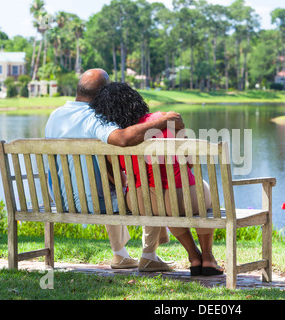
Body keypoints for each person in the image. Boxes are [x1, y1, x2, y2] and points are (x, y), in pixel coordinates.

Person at [45, 68, 185, 272]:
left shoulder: (55, 116)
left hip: (62, 200)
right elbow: (122, 138)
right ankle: (148, 256)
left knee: (110, 184)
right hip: (94, 203)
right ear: (103, 92)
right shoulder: (94, 118)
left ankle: (120, 255)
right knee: (147, 188)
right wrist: (163, 121)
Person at [90, 81, 223, 276]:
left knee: (163, 204)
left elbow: (116, 175)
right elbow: (190, 161)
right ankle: (208, 258)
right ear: (135, 100)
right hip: (178, 196)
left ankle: (194, 256)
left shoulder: (113, 137)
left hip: (139, 202)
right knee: (201, 194)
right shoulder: (165, 119)